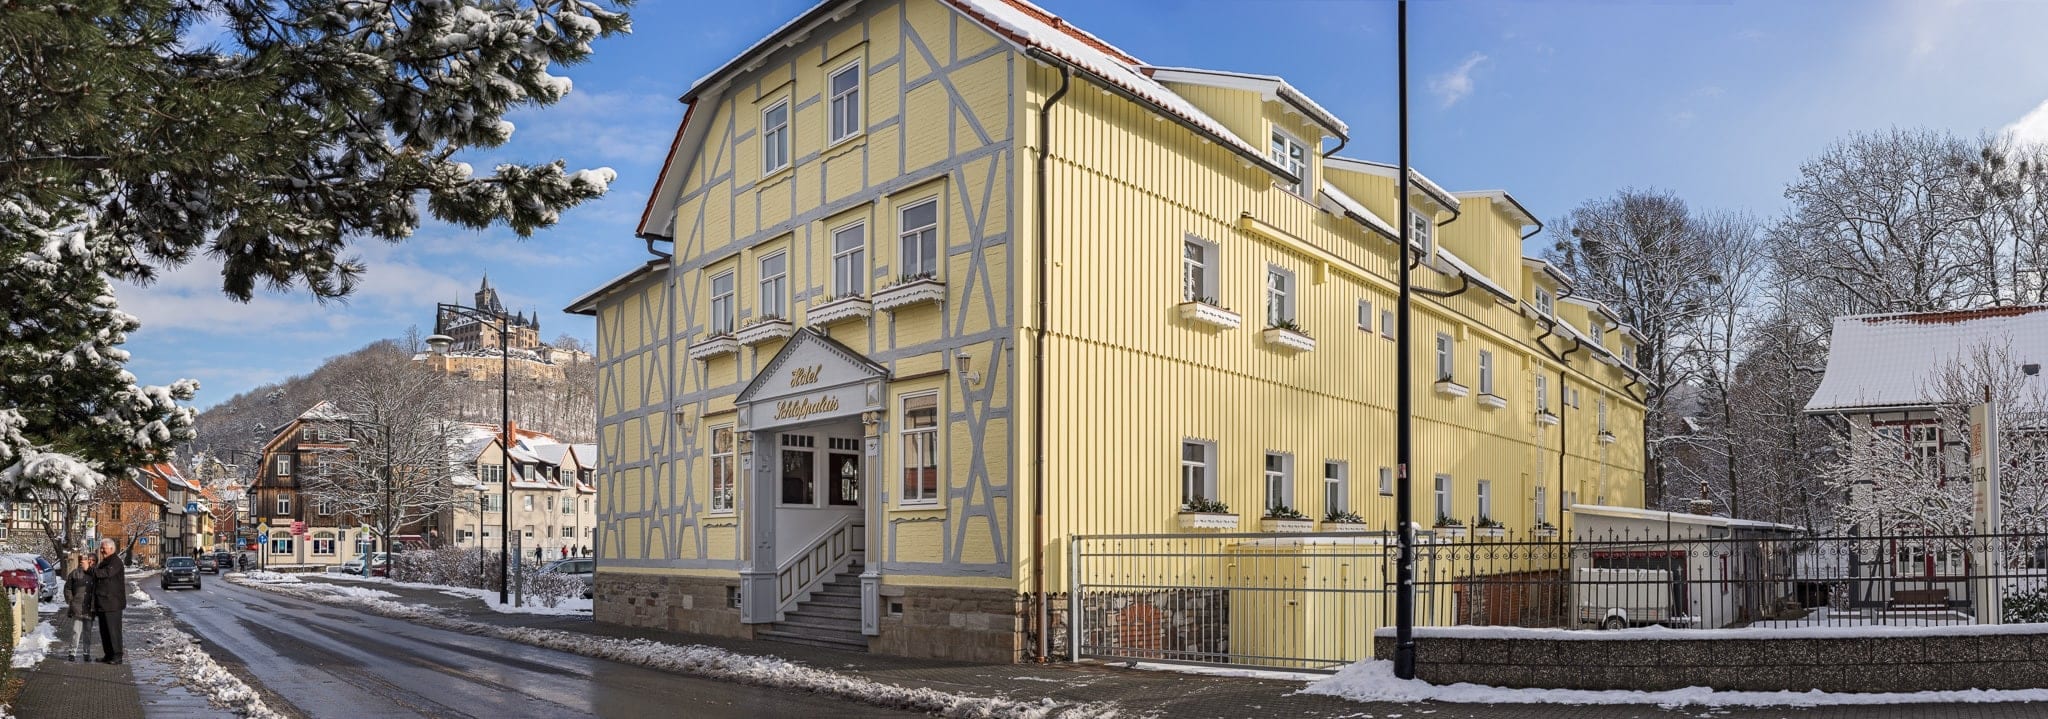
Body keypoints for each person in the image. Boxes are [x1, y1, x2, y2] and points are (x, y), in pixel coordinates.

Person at [87, 538, 127, 664]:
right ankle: (108, 654)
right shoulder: (105, 561)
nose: (102, 550)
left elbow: (105, 574)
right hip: (104, 603)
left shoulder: (115, 562)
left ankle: (117, 656)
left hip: (112, 603)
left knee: (113, 631)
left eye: (104, 548)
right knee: (104, 631)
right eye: (101, 548)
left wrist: (90, 569)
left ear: (111, 548)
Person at [63, 552, 95, 662]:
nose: (83, 562)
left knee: (87, 632)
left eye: (85, 560)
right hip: (77, 606)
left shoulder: (93, 574)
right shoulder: (74, 574)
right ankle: (72, 653)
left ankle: (86, 653)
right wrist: (70, 601)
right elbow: (67, 588)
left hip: (89, 608)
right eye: (81, 560)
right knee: (76, 631)